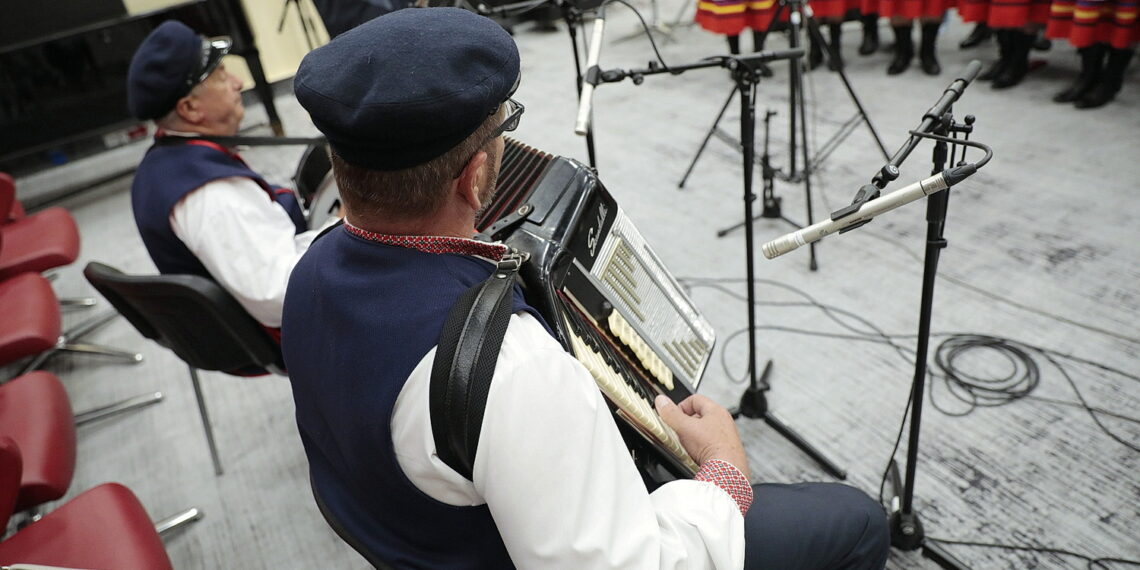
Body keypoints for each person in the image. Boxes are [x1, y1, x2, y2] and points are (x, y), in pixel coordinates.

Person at [284, 7, 890, 569]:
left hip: (417, 527)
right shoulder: (514, 371)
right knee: (857, 519)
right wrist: (724, 474)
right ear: (474, 181)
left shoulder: (305, 267)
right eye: (507, 126)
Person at [126, 20, 328, 331]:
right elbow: (281, 295)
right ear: (191, 108)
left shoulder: (164, 159)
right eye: (221, 77)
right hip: (306, 328)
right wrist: (344, 225)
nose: (236, 83)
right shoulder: (213, 197)